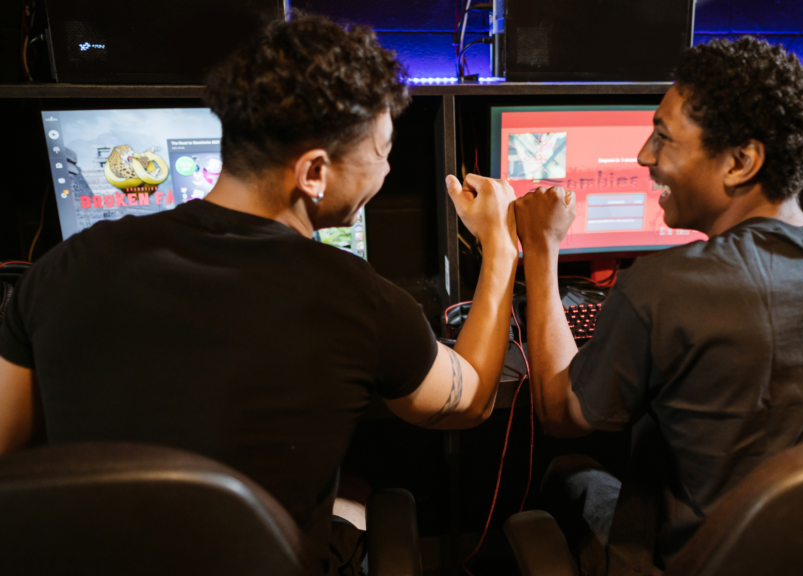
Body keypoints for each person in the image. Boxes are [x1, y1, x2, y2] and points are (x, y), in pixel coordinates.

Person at [0, 14, 519, 573]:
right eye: (383, 151)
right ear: (314, 172)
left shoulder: (59, 270)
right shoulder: (360, 301)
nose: (389, 169)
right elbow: (473, 400)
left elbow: (11, 465)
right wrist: (501, 248)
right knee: (362, 495)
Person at [513, 37, 803, 573]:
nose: (643, 156)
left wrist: (541, 250)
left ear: (741, 161)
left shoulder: (665, 286)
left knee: (570, 473)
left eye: (662, 137)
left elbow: (562, 413)